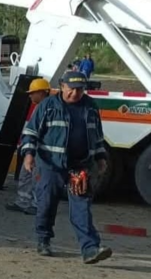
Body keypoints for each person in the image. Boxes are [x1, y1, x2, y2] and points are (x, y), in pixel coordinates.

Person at [20, 71, 112, 263]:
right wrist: (28, 155)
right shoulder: (48, 106)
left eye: (79, 90)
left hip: (80, 166)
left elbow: (97, 136)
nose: (75, 94)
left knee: (82, 207)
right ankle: (43, 240)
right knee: (46, 204)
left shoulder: (90, 107)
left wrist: (101, 157)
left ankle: (90, 249)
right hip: (50, 165)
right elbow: (30, 132)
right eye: (71, 89)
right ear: (62, 86)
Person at [6, 77, 51, 214]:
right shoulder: (40, 106)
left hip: (40, 149)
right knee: (26, 175)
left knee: (37, 177)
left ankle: (37, 204)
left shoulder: (47, 107)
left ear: (42, 92)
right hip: (33, 148)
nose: (30, 95)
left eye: (33, 92)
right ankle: (23, 201)